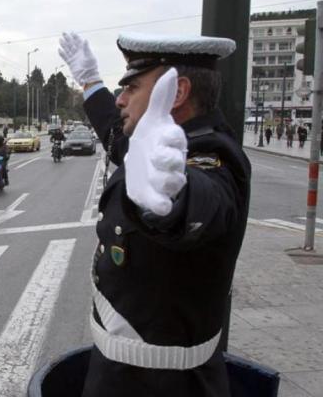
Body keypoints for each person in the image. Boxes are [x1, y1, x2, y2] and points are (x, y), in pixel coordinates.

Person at [59, 31, 251, 397]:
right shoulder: (151, 146)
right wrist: (90, 82)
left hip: (161, 386)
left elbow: (205, 203)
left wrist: (173, 197)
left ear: (176, 93)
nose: (120, 99)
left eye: (132, 87)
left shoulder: (207, 156)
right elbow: (117, 136)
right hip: (121, 372)